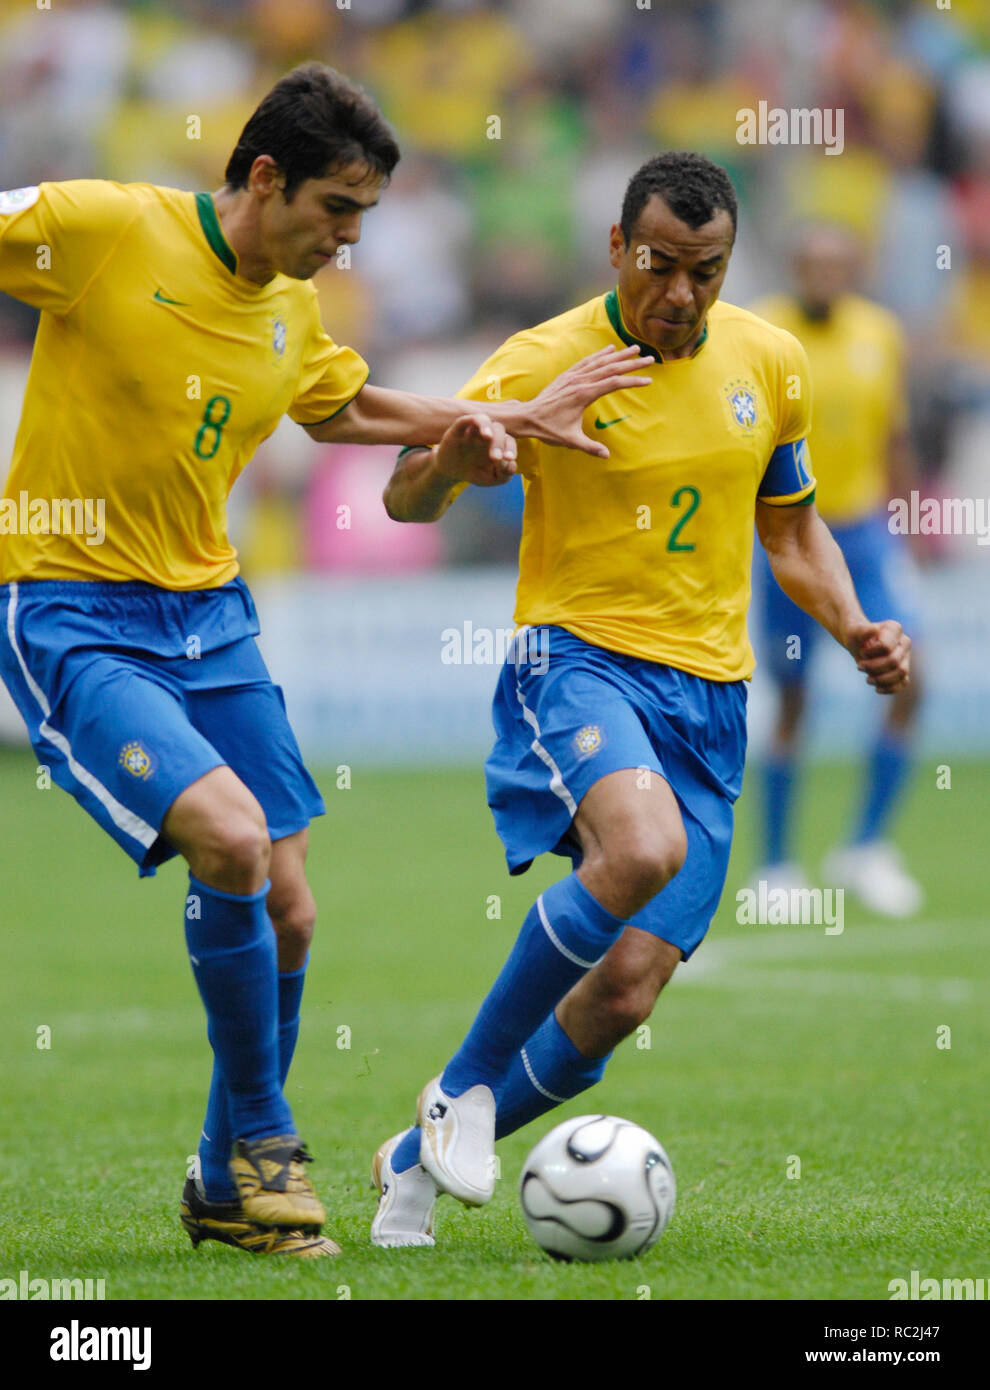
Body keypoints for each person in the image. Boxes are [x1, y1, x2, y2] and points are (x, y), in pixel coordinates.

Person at [0, 62, 652, 1259]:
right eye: (337, 211)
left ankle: (219, 1183)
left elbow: (339, 410)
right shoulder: (101, 228)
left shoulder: (294, 307)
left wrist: (495, 420)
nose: (349, 241)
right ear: (264, 176)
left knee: (291, 909)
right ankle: (262, 1137)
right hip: (74, 609)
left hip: (212, 619)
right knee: (235, 841)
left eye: (365, 218)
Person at [373, 152, 912, 1248]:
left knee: (622, 993)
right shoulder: (542, 358)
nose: (680, 293)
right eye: (659, 265)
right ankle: (462, 1085)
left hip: (711, 703)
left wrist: (851, 622)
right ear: (617, 247)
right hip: (577, 663)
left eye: (706, 272)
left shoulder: (772, 361)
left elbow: (791, 528)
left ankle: (409, 1158)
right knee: (643, 847)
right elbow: (404, 495)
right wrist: (468, 459)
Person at [750, 224, 923, 916]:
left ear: (853, 268)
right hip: (789, 535)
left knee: (911, 676)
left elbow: (893, 435)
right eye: (811, 266)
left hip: (865, 533)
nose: (823, 277)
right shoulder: (763, 332)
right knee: (793, 698)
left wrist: (906, 527)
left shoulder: (879, 334)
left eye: (836, 265)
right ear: (795, 267)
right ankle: (776, 867)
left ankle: (865, 846)